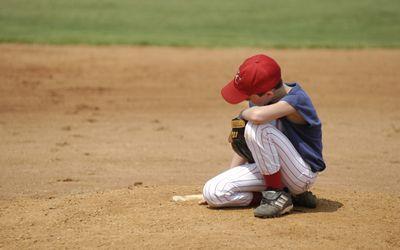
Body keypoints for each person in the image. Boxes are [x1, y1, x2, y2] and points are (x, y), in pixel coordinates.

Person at [200, 54, 326, 218]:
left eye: (247, 96)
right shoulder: (259, 104)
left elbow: (257, 118)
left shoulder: (297, 100)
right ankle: (286, 196)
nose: (245, 99)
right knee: (213, 192)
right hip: (272, 171)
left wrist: (242, 114)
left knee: (256, 127)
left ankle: (276, 194)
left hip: (301, 174)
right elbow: (244, 145)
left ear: (267, 94)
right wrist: (230, 176)